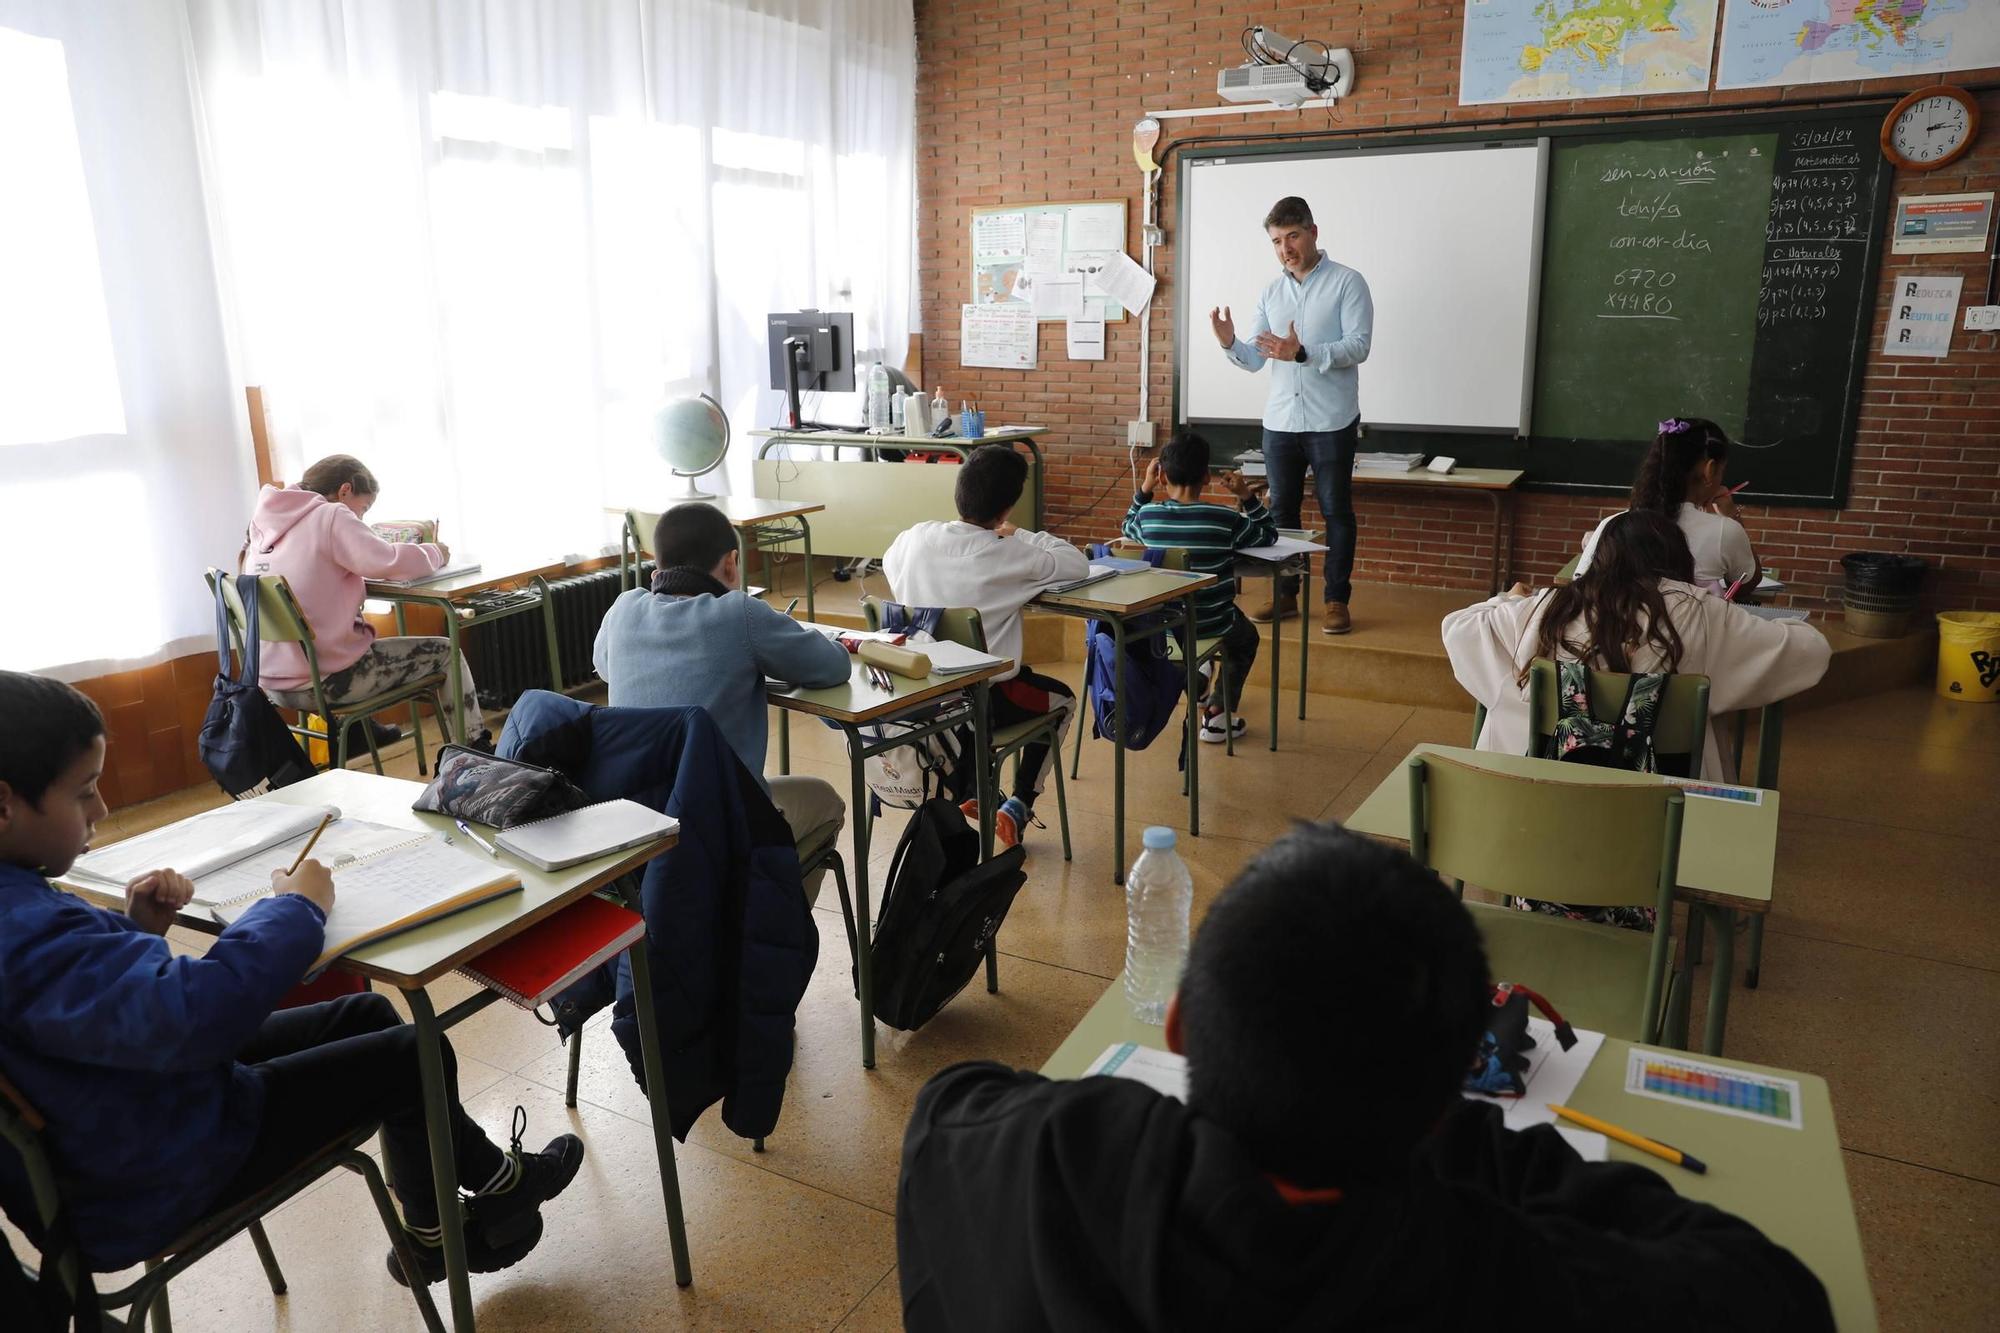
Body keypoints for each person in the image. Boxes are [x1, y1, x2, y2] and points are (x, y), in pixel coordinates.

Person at [896, 822, 1834, 1331]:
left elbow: (959, 1095)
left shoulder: (1030, 1151)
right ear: (1441, 1104)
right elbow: (1776, 1293)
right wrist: (1467, 1142)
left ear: (1181, 1027)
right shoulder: (1494, 1270)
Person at [0, 672, 580, 1288]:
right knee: (415, 1052)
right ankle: (455, 1223)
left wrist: (139, 933)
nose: (102, 810)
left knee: (370, 1018)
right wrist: (296, 909)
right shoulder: (29, 932)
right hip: (160, 1170)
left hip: (126, 1123)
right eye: (84, 792)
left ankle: (472, 1199)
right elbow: (201, 1017)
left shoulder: (20, 909)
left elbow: (100, 1013)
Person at [1443, 508, 1828, 782]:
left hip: (1535, 799)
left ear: (1595, 557)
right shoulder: (1702, 612)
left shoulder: (1546, 607)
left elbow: (1457, 626)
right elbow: (1811, 650)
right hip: (1668, 812)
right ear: (1678, 559)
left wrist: (1507, 601)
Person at [593, 502, 852, 901]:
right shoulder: (739, 613)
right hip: (719, 824)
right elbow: (833, 666)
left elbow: (605, 667)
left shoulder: (623, 609)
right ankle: (769, 931)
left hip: (635, 824)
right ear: (732, 564)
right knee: (825, 801)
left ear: (655, 568)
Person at [883, 445, 1088, 848]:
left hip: (920, 699)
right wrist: (1019, 534)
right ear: (1008, 507)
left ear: (959, 491)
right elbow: (1076, 563)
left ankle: (974, 788)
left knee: (990, 695)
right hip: (981, 701)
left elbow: (891, 565)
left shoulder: (914, 538)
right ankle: (1016, 805)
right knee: (1062, 700)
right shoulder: (1010, 554)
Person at [244, 454, 488, 750]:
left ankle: (360, 729)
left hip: (271, 683)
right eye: (363, 509)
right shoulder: (330, 515)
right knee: (447, 652)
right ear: (345, 490)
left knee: (346, 636)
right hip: (326, 683)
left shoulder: (266, 521)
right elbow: (387, 561)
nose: (361, 519)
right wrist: (435, 552)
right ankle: (479, 750)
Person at [1211, 195, 1374, 636]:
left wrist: (1303, 352)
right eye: (1277, 241)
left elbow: (1359, 346)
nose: (1286, 249)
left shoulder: (1347, 283)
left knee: (1335, 510)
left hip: (1331, 421)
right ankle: (1285, 595)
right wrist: (1230, 344)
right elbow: (1257, 358)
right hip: (1280, 422)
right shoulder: (1270, 291)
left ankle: (1336, 599)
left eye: (1293, 237)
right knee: (1281, 510)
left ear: (1313, 233)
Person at [1123, 430, 1277, 744]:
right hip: (1213, 621)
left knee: (1188, 627)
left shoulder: (1148, 516)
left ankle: (1196, 673)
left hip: (1162, 628)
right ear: (1207, 477)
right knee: (1246, 640)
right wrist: (1247, 496)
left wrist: (1144, 489)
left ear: (1162, 476)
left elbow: (1127, 526)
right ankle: (1218, 712)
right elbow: (1268, 535)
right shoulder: (1224, 518)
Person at [1577, 416, 1760, 593]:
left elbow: (1580, 583)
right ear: (1709, 470)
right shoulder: (1725, 530)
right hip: (1688, 624)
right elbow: (1746, 583)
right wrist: (1732, 516)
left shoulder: (1610, 524)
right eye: (1722, 471)